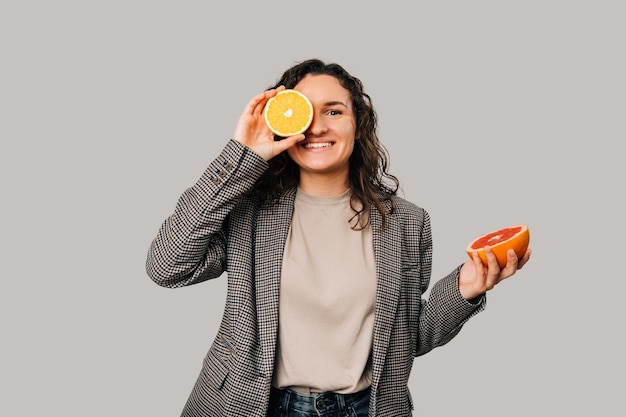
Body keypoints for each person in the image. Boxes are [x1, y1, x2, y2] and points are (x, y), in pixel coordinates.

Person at [145, 58, 531, 417]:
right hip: (252, 406)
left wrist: (463, 291)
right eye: (305, 112)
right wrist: (240, 156)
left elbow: (405, 341)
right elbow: (166, 266)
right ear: (285, 123)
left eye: (334, 111)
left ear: (357, 124)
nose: (317, 127)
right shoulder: (248, 210)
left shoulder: (407, 222)